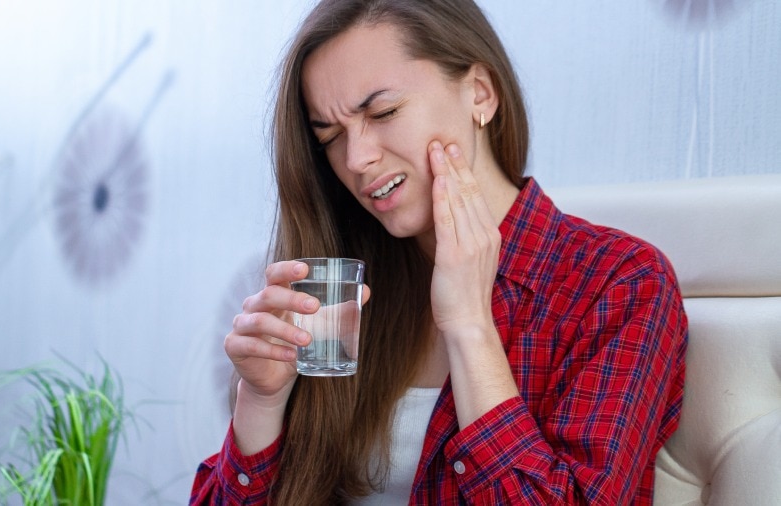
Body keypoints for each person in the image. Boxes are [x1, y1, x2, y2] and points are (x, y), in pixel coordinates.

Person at [190, 0, 687, 504]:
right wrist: (260, 404)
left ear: (480, 94)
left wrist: (470, 326)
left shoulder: (617, 284)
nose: (357, 159)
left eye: (383, 112)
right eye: (331, 136)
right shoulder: (346, 294)